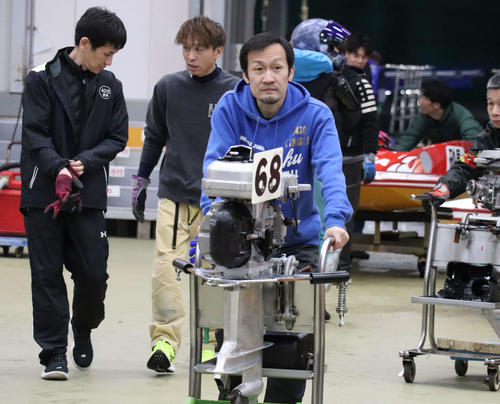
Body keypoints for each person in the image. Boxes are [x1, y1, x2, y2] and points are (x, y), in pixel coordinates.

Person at [200, 32, 352, 404]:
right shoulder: (229, 109)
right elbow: (212, 169)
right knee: (229, 342)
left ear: (290, 72)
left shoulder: (316, 115)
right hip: (239, 245)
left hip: (298, 245)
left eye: (276, 68)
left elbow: (330, 171)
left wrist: (336, 220)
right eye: (258, 69)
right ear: (245, 74)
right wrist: (212, 219)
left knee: (292, 347)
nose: (268, 77)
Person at [20, 7, 127, 380]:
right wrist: (58, 167)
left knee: (94, 273)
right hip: (43, 193)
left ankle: (83, 326)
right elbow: (35, 134)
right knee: (46, 274)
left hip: (88, 193)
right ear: (84, 43)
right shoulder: (40, 79)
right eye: (106, 53)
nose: (109, 61)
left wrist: (86, 161)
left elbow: (117, 136)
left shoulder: (110, 85)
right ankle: (53, 352)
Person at [130, 16, 238, 374]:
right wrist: (141, 180)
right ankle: (164, 342)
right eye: (186, 49)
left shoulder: (234, 91)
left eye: (199, 49)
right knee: (165, 271)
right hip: (174, 197)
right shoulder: (168, 87)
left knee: (211, 275)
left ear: (218, 51)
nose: (191, 56)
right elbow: (155, 136)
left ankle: (209, 345)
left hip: (219, 202)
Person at [426, 74, 500, 204]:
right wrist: (442, 189)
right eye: (490, 104)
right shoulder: (486, 139)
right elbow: (465, 167)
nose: (494, 112)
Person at [393, 78, 483, 151]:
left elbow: (473, 143)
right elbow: (407, 141)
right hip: (439, 157)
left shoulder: (462, 116)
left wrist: (463, 162)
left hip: (461, 158)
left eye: (423, 98)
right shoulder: (423, 117)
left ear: (436, 105)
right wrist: (392, 156)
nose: (419, 102)